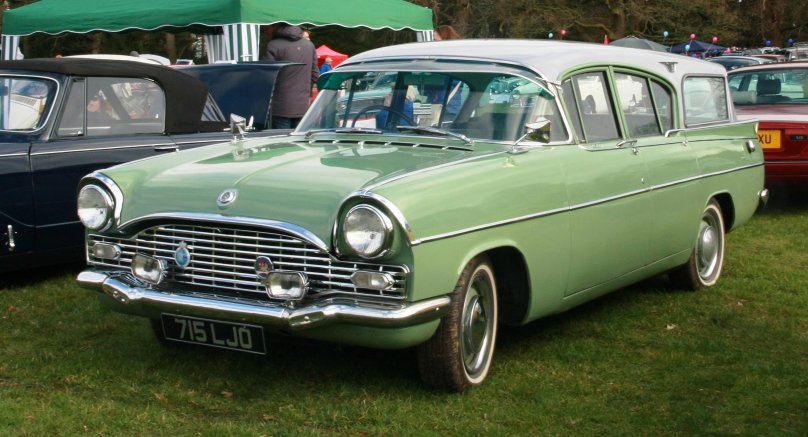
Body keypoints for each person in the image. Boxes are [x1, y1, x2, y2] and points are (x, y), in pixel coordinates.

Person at [263, 23, 319, 129]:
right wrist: (306, 91)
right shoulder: (309, 45)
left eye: (268, 27)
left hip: (280, 106)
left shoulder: (273, 45)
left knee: (281, 143)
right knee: (298, 143)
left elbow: (266, 76)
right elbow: (315, 73)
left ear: (276, 27)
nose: (266, 31)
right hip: (303, 105)